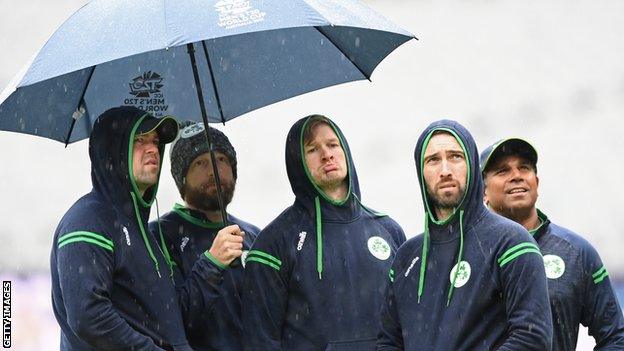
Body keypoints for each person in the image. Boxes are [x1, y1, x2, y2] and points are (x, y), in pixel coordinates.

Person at [50, 106, 241, 350]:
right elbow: (88, 317)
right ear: (113, 151)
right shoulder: (87, 220)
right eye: (139, 140)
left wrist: (212, 265)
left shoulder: (143, 231)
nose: (153, 148)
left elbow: (172, 319)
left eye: (155, 141)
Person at [377, 120, 553, 350]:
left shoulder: (511, 241)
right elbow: (389, 343)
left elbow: (532, 338)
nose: (445, 170)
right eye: (433, 160)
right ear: (421, 172)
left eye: (455, 157)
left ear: (471, 164)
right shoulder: (406, 258)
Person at [242, 114, 406, 351]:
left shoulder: (389, 231)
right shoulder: (273, 243)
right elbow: (260, 342)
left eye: (332, 145)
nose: (327, 154)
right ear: (297, 162)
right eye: (312, 149)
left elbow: (407, 325)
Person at [480, 137, 624, 350]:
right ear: (483, 193)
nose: (517, 176)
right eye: (503, 171)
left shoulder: (576, 252)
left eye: (524, 168)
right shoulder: (468, 254)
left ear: (536, 183)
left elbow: (616, 337)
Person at [149, 121, 260, 351]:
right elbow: (169, 321)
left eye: (221, 159)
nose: (214, 171)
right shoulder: (158, 236)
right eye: (200, 163)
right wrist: (212, 263)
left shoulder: (255, 236)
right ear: (182, 179)